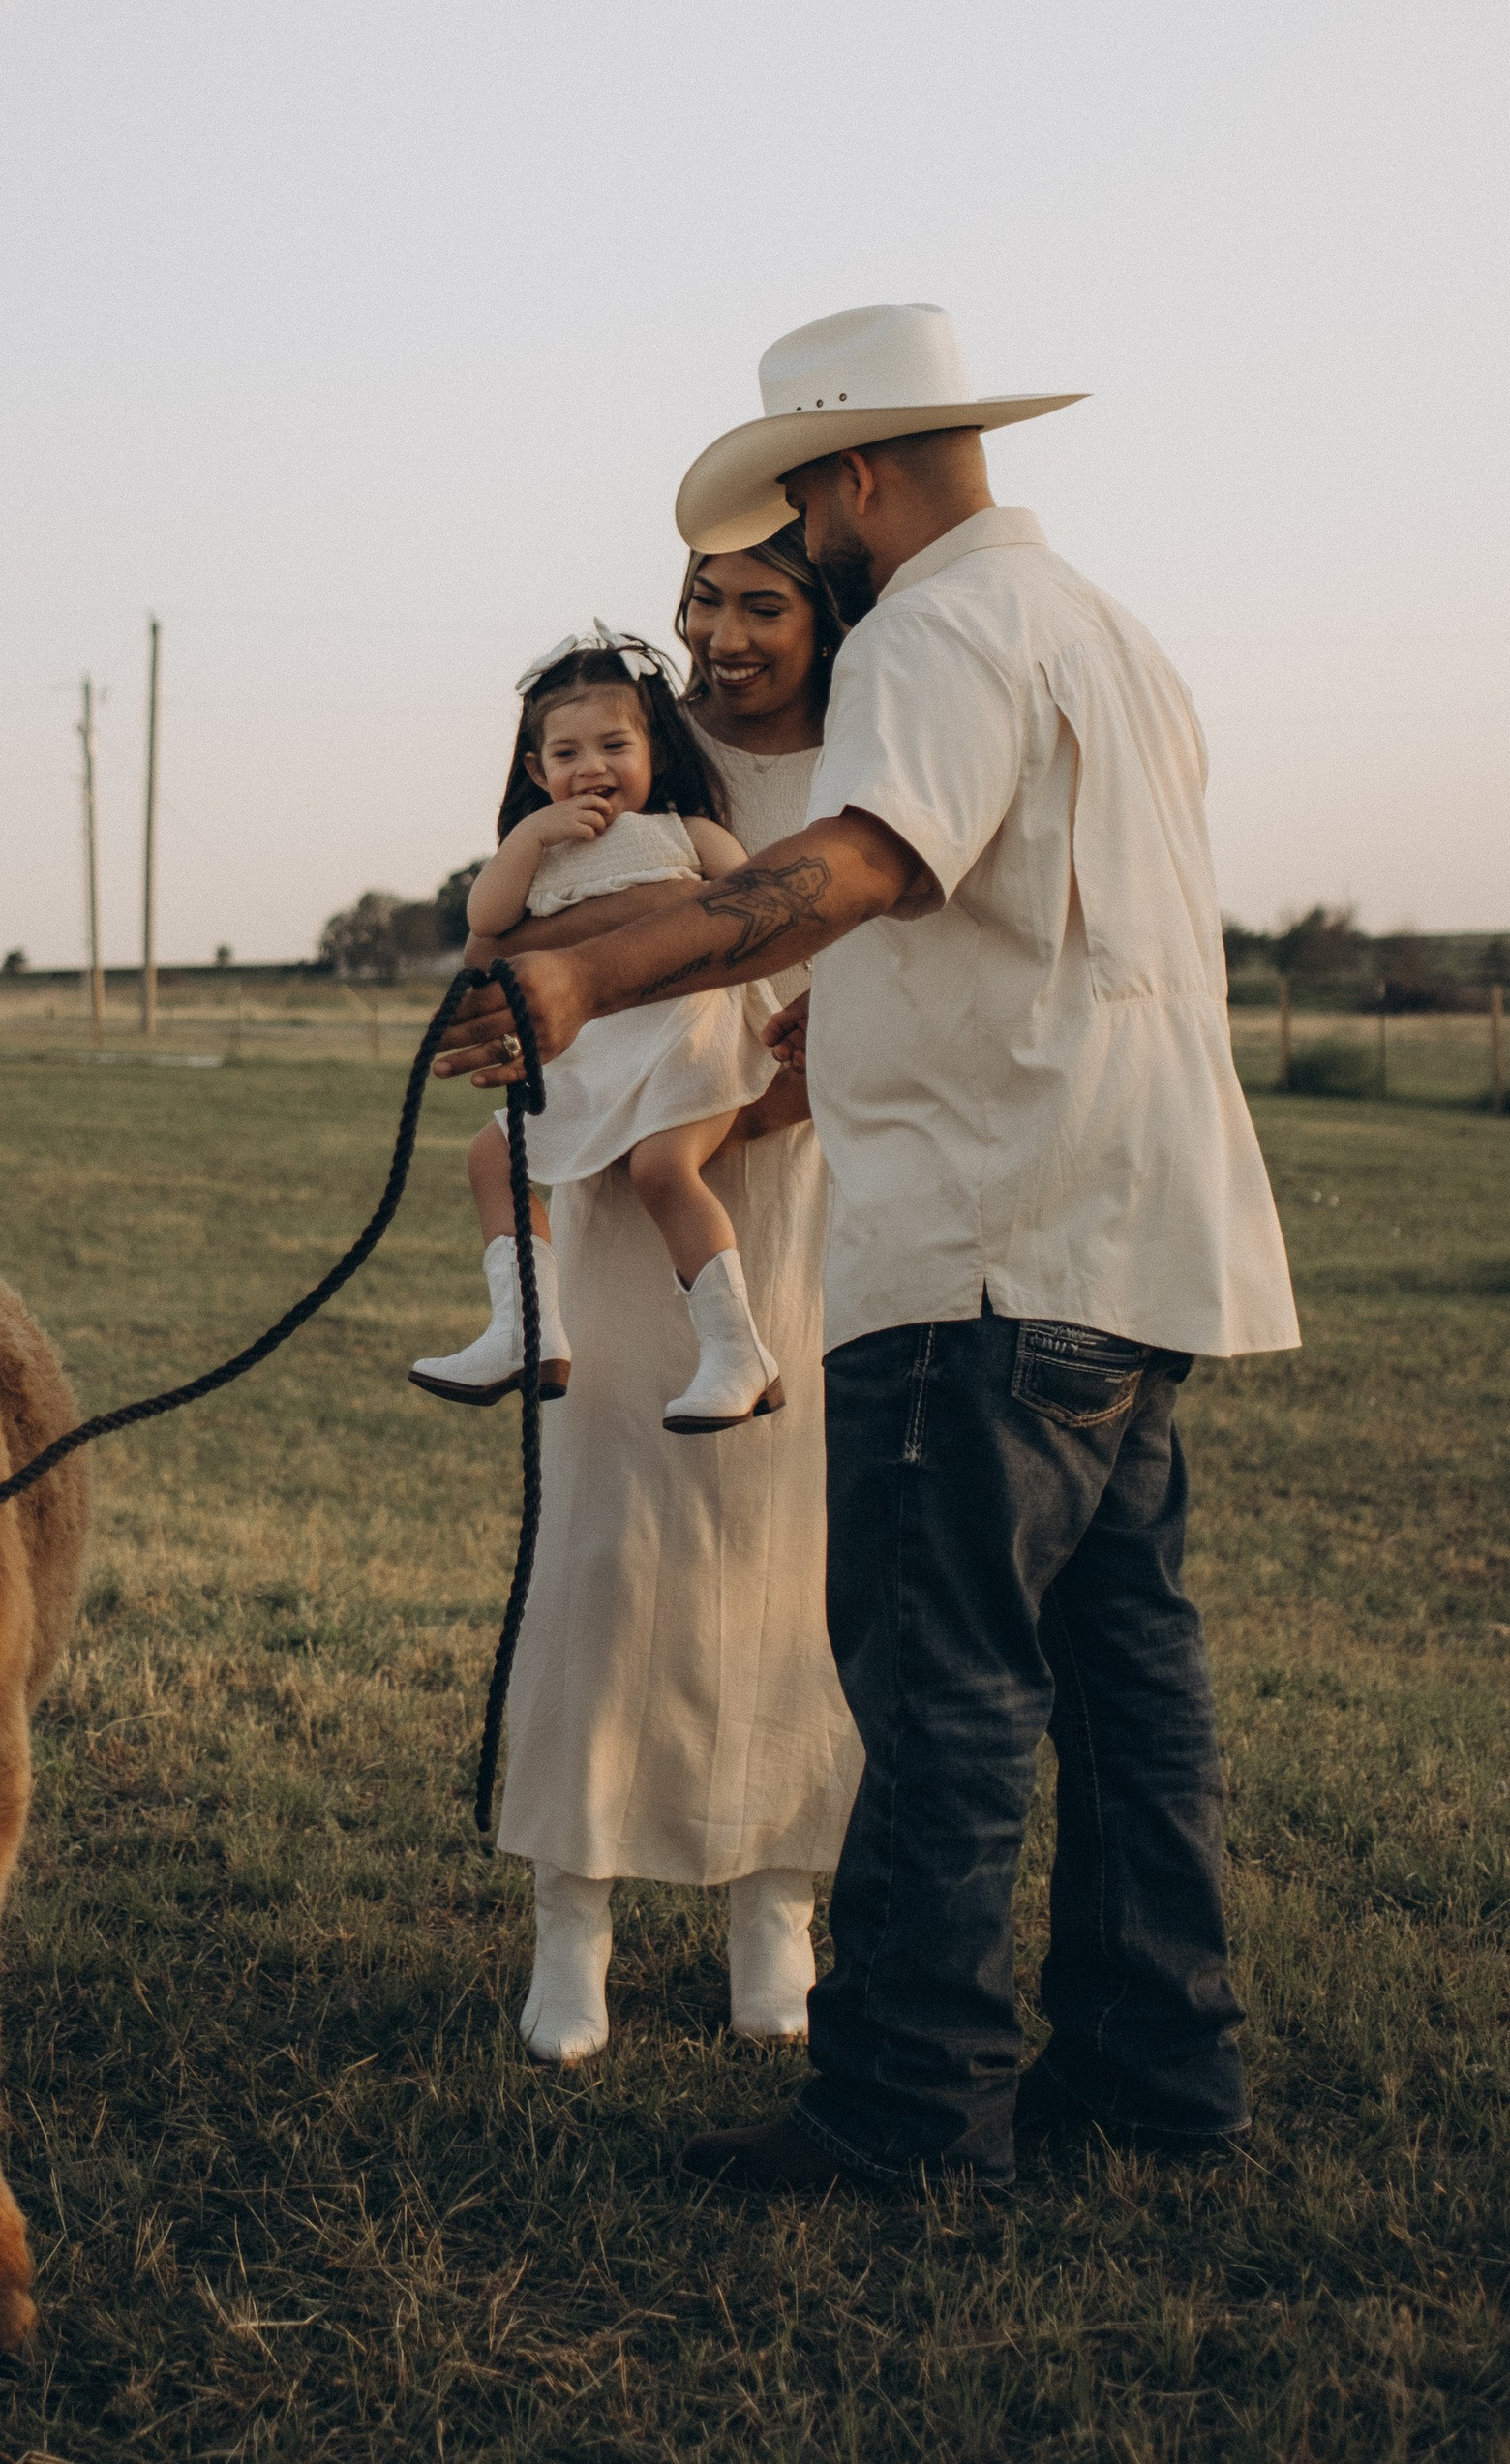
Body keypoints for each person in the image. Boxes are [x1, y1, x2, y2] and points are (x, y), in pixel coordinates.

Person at [437, 303, 1299, 2189]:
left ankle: (905, 2113)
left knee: (936, 1681)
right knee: (1125, 1675)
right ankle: (1155, 2086)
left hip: (979, 1240)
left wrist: (581, 964)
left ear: (847, 477)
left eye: (797, 511)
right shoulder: (1103, 630)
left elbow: (846, 870)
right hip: (1132, 1229)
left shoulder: (926, 629)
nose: (800, 556)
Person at [479, 542, 863, 2063]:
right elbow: (521, 948)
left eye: (763, 605)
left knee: (782, 1556)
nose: (723, 635)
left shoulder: (873, 764)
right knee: (606, 1552)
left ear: (827, 617)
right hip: (612, 1171)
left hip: (782, 1186)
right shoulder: (623, 782)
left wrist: (757, 1100)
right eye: (704, 605)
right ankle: (572, 1912)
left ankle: (776, 1903)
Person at [408, 629, 780, 1433]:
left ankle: (736, 1350)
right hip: (598, 1053)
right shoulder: (535, 860)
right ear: (538, 772)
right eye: (568, 754)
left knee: (664, 1170)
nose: (594, 768)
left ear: (654, 751)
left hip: (687, 1043)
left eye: (616, 745)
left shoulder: (686, 833)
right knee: (489, 1155)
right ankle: (525, 1329)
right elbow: (486, 923)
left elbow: (757, 904)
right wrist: (529, 838)